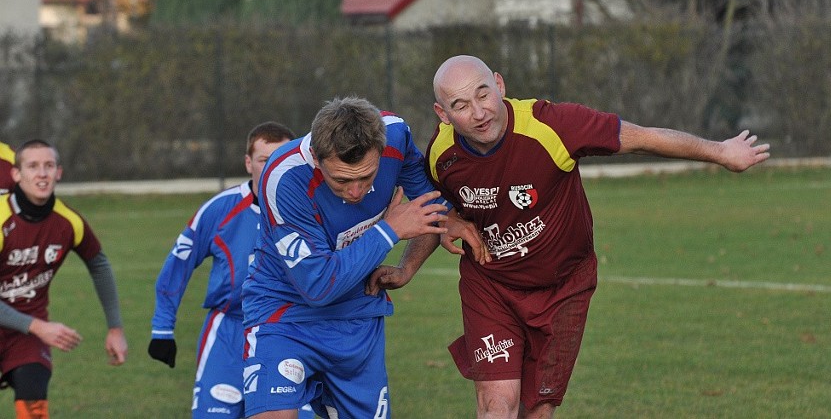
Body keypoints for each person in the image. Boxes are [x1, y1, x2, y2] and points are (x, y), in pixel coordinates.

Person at [374, 55, 771, 419]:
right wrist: (410, 265)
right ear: (443, 114)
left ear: (500, 84)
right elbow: (434, 209)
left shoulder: (552, 126)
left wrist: (720, 151)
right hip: (490, 285)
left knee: (538, 411)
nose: (479, 112)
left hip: (564, 287)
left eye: (483, 93)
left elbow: (642, 137)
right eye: (461, 106)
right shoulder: (442, 154)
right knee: (497, 405)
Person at [241, 96, 486, 419]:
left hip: (357, 315)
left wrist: (408, 266)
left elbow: (427, 209)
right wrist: (389, 230)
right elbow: (317, 286)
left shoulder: (396, 135)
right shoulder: (285, 177)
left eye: (366, 177)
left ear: (383, 152)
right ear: (316, 156)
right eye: (341, 180)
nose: (355, 191)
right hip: (285, 315)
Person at [148, 122, 314, 418]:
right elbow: (178, 263)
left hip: (288, 331)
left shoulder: (312, 209)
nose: (273, 167)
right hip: (228, 332)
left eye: (281, 158)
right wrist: (163, 327)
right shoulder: (220, 209)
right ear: (248, 162)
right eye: (264, 160)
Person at [0, 139, 128, 419]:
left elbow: (99, 264)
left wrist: (115, 328)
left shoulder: (69, 222)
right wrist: (37, 326)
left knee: (34, 400)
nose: (42, 174)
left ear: (59, 172)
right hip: (31, 326)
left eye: (49, 166)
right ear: (16, 175)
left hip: (26, 335)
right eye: (32, 166)